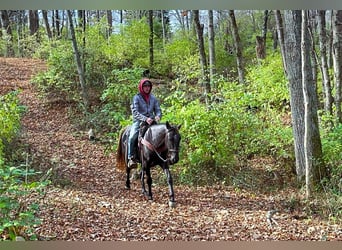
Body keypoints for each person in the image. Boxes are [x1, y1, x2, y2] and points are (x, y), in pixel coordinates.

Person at [127, 78, 162, 168]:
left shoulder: (153, 98)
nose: (147, 88)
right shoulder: (136, 97)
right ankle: (131, 157)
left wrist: (158, 116)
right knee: (132, 137)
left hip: (151, 121)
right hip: (139, 122)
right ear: (141, 87)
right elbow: (135, 112)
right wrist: (145, 119)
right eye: (145, 86)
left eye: (148, 86)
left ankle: (161, 155)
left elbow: (158, 110)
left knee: (162, 134)